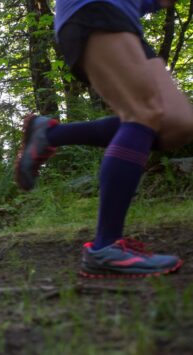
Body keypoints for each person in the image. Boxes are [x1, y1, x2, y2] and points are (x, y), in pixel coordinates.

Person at [16, 0, 193, 278]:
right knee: (142, 112)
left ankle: (50, 135)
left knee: (176, 123)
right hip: (94, 8)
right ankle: (105, 246)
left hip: (125, 19)